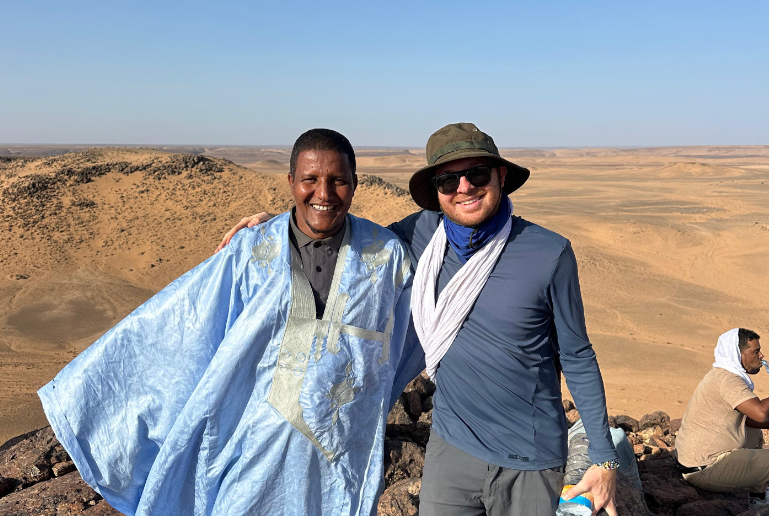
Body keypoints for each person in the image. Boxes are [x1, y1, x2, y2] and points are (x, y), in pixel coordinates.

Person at [219, 123, 619, 516]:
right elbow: (345, 237)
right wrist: (276, 225)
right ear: (436, 192)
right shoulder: (422, 235)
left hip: (528, 458)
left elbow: (578, 356)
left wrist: (605, 460)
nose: (464, 188)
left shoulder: (549, 253)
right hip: (451, 448)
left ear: (500, 176)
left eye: (476, 174)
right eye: (448, 181)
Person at [38, 129, 416, 516]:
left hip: (343, 468)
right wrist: (85, 395)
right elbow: (183, 325)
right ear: (291, 182)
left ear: (354, 185)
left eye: (338, 180)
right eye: (310, 179)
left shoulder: (388, 257)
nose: (324, 192)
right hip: (249, 458)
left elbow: (417, 328)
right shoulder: (249, 252)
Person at [675, 328, 769, 506]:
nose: (762, 356)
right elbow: (762, 413)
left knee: (752, 432)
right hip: (704, 468)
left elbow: (751, 418)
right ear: (737, 353)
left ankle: (758, 498)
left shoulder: (724, 375)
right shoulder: (727, 380)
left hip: (699, 460)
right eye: (756, 351)